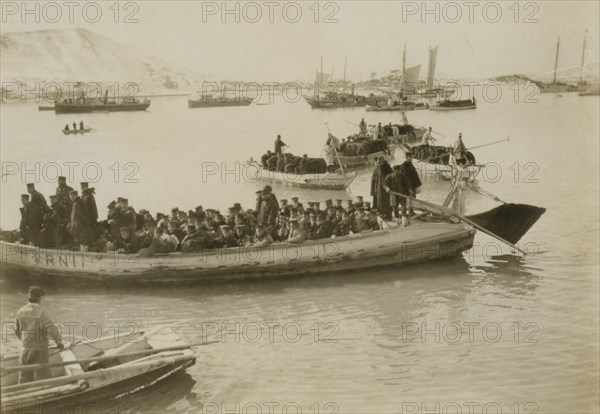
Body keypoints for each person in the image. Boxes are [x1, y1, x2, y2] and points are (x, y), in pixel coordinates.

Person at [15, 286, 64, 383]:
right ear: (39, 298)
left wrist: (25, 342)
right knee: (44, 378)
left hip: (24, 350)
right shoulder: (41, 313)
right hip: (39, 352)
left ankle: (25, 396)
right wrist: (59, 341)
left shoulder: (20, 311)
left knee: (24, 379)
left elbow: (16, 330)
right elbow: (51, 329)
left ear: (28, 298)